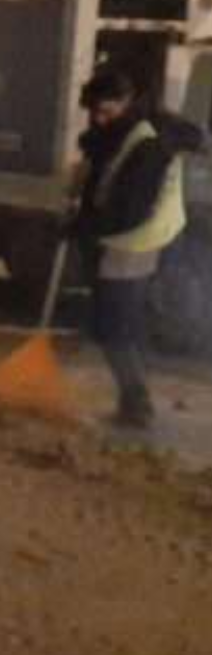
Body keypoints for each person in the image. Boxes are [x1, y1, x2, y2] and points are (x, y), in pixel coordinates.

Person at [71, 67, 203, 428]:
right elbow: (106, 179)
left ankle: (136, 406)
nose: (98, 119)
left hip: (135, 241)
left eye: (105, 111)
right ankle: (134, 398)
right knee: (114, 324)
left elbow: (127, 211)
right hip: (130, 237)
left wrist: (81, 226)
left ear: (127, 103)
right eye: (94, 112)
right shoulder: (123, 132)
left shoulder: (147, 146)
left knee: (113, 327)